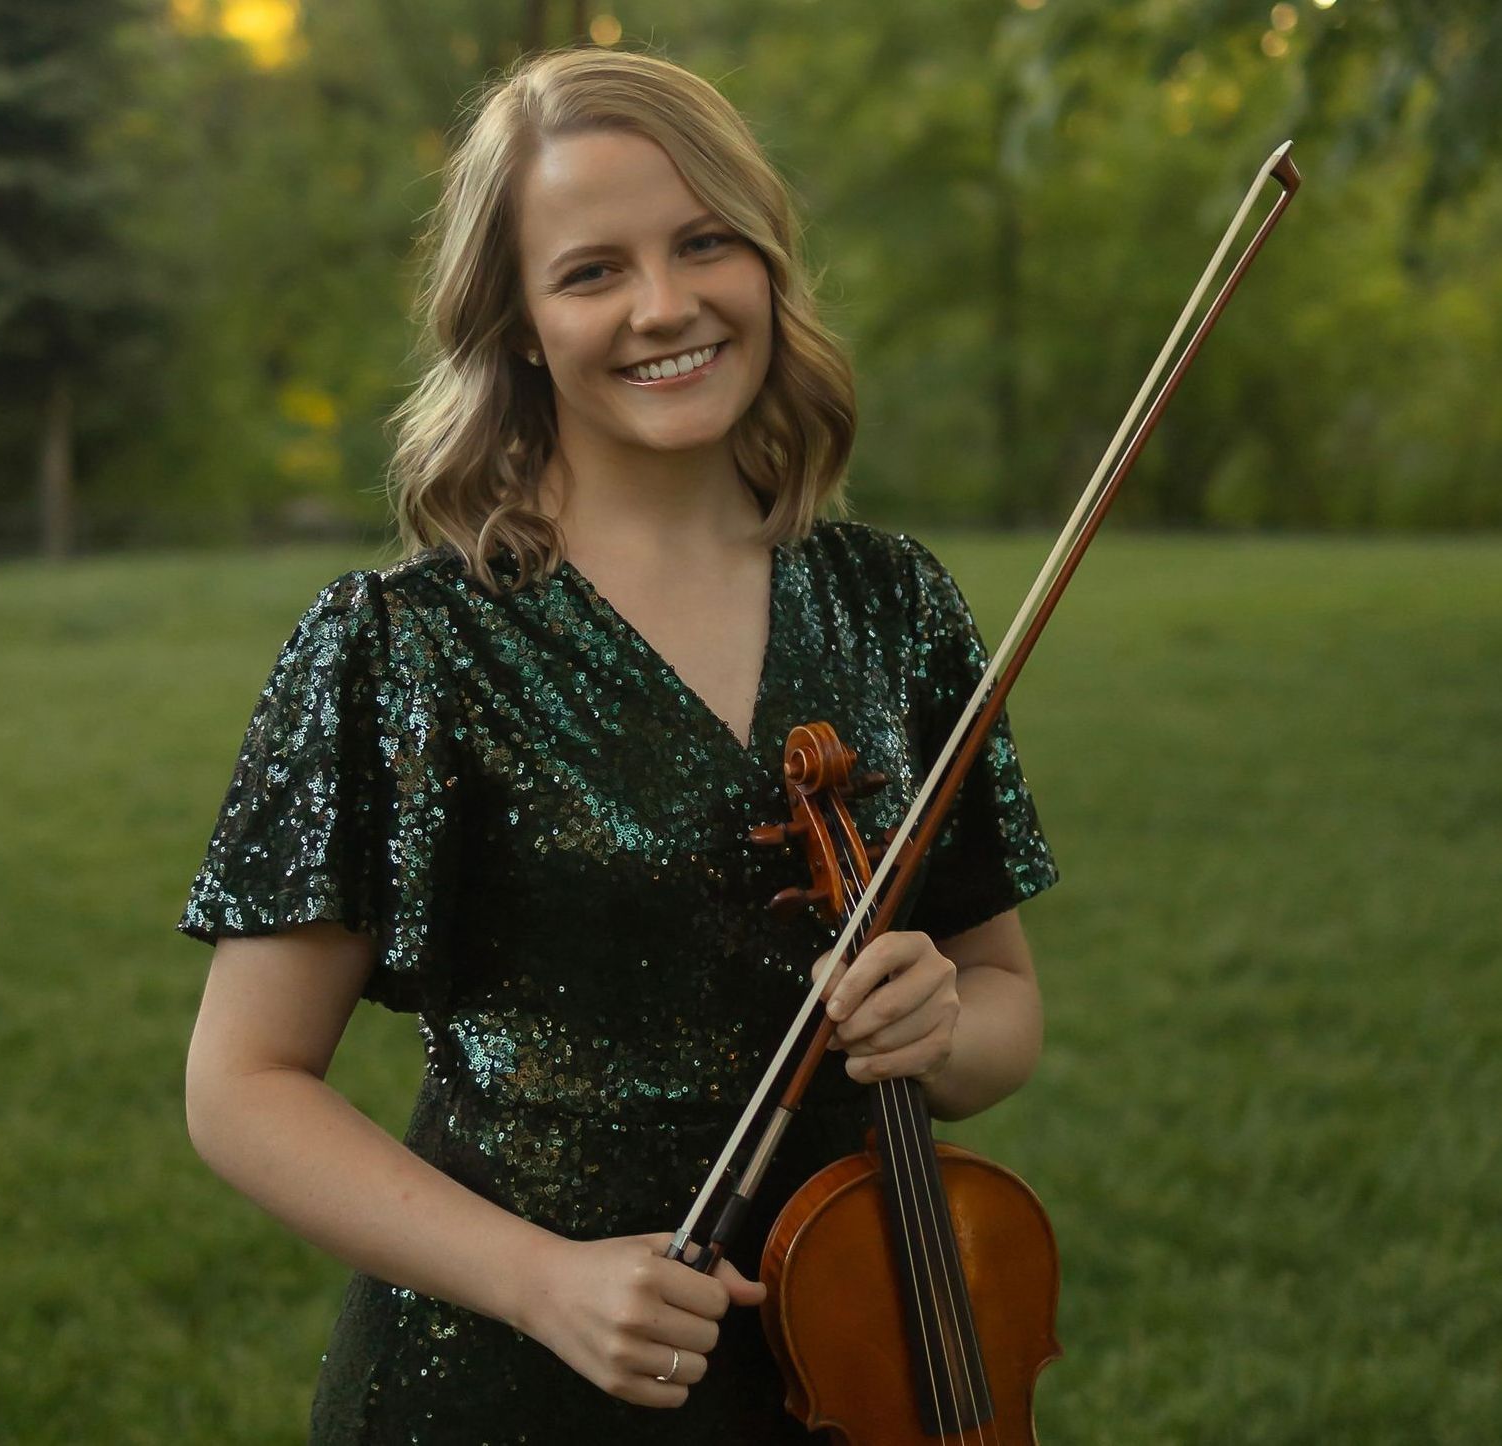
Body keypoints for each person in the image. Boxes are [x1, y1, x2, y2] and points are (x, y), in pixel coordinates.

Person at [177, 45, 1058, 1446]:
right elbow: (240, 1087)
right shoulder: (404, 644)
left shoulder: (895, 605)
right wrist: (540, 1281)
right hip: (508, 1378)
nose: (666, 305)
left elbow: (1005, 1001)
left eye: (705, 242)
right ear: (519, 320)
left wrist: (943, 1025)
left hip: (870, 1355)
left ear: (766, 262)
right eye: (592, 271)